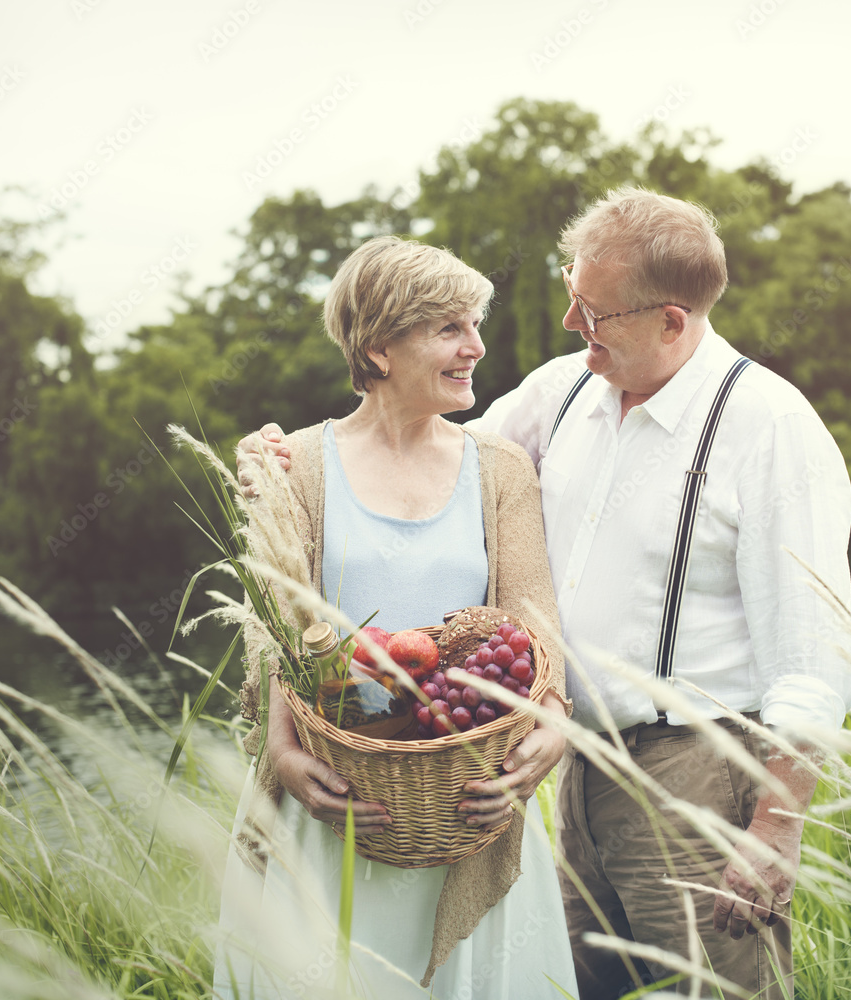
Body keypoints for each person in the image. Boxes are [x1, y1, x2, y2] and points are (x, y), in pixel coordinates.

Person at [238, 189, 851, 999]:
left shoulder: (769, 426)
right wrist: (285, 462)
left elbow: (813, 648)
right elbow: (421, 452)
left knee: (718, 990)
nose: (571, 323)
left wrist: (776, 828)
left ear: (671, 321)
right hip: (565, 775)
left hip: (699, 774)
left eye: (594, 311)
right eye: (573, 291)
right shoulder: (564, 390)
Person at [214, 235, 578, 999]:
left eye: (474, 324)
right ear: (378, 349)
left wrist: (551, 720)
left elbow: (531, 620)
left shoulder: (499, 468)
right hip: (339, 806)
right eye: (449, 329)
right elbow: (278, 631)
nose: (475, 347)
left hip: (473, 803)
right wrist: (283, 752)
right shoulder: (299, 466)